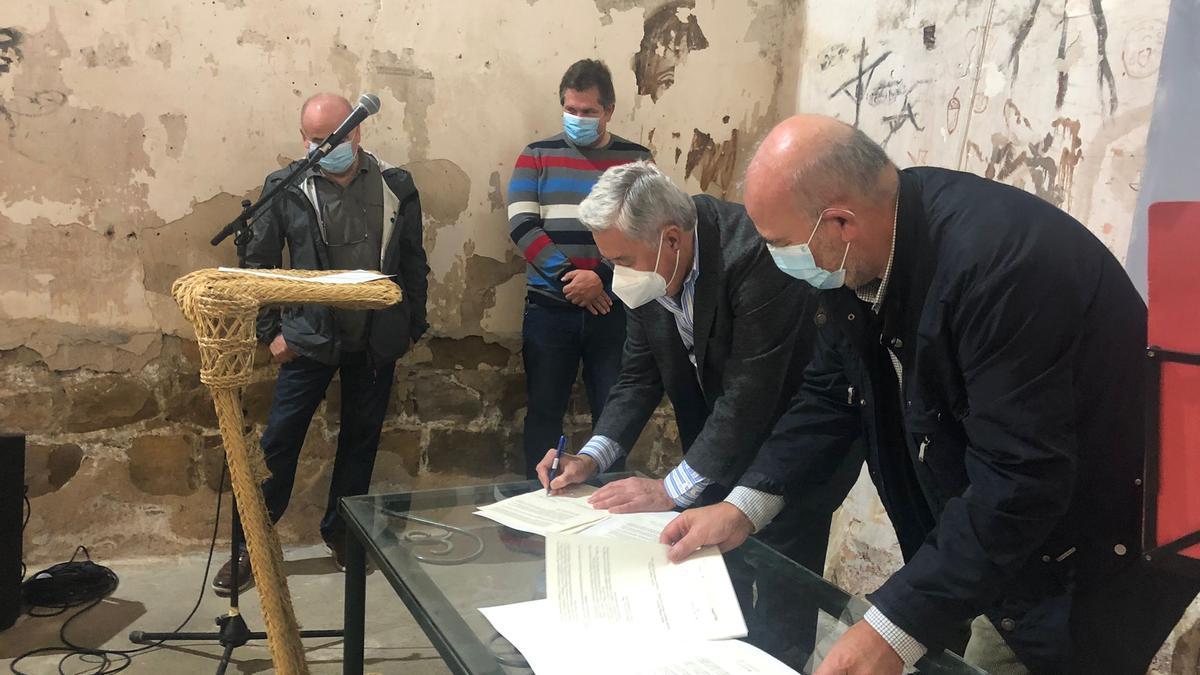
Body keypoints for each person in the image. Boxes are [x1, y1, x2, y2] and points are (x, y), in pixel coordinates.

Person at [660, 114, 1200, 674]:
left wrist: (896, 626)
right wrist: (742, 506)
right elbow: (829, 395)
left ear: (841, 223)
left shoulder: (1000, 269)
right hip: (989, 530)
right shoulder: (871, 253)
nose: (777, 259)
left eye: (779, 244)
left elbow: (1021, 479)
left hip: (1084, 546)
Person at [535, 160, 860, 577]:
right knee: (720, 585)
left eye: (624, 260)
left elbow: (750, 392)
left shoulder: (753, 255)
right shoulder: (651, 268)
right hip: (716, 455)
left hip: (788, 453)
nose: (618, 275)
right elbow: (637, 377)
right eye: (610, 262)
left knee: (783, 598)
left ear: (671, 239)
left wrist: (668, 489)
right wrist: (589, 458)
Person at [213, 93, 429, 595]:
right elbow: (259, 266)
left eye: (333, 136)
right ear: (302, 138)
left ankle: (343, 536)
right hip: (308, 337)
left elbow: (414, 259)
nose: (324, 146)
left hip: (375, 338)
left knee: (360, 441)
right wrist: (271, 333)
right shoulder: (285, 188)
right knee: (279, 443)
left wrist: (411, 324)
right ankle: (252, 547)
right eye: (314, 139)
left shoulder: (395, 185)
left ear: (356, 133)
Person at [507, 59, 652, 478]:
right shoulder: (536, 156)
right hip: (550, 309)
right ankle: (540, 501)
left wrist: (600, 278)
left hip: (614, 309)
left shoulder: (636, 161)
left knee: (614, 413)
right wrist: (574, 280)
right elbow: (522, 225)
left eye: (588, 111)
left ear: (608, 111)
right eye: (571, 109)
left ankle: (608, 501)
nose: (578, 118)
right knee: (544, 412)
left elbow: (646, 230)